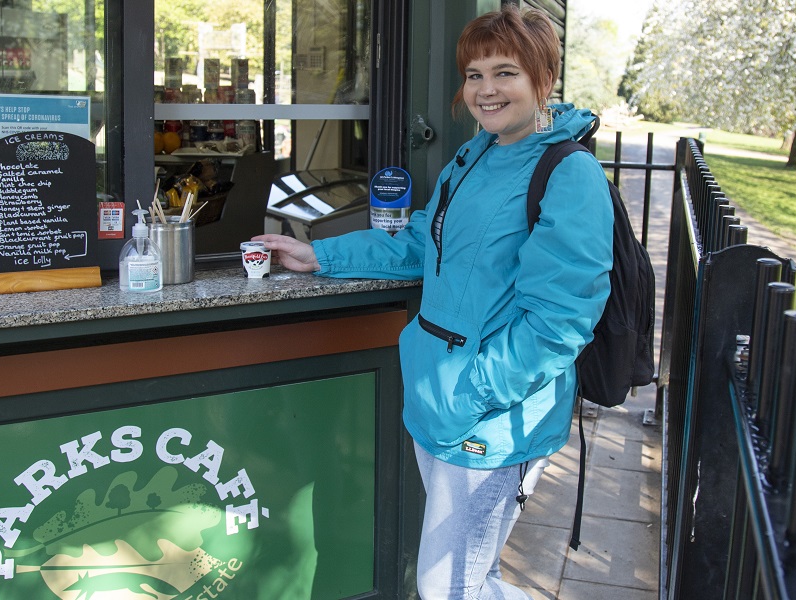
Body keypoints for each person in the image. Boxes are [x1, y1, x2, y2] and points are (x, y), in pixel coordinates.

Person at [253, 6, 613, 598]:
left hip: (489, 422)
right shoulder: (475, 156)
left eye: (505, 72)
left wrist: (469, 393)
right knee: (473, 580)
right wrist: (321, 256)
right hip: (439, 404)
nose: (486, 89)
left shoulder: (567, 173)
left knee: (450, 586)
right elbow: (424, 241)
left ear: (542, 77)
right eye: (473, 74)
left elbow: (559, 321)